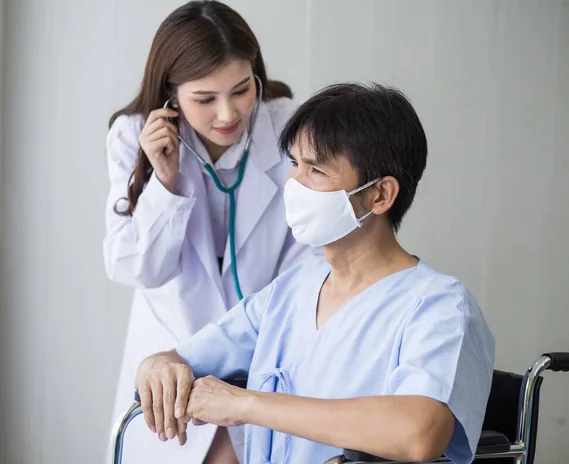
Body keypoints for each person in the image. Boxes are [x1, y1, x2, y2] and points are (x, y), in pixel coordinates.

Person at [134, 82, 496, 464]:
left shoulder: (439, 306)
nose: (293, 183)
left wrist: (247, 405)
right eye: (295, 163)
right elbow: (174, 358)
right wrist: (158, 371)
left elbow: (418, 433)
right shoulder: (293, 288)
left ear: (380, 195)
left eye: (316, 170)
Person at [103, 1, 315, 462]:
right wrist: (165, 183)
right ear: (170, 96)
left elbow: (307, 263)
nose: (227, 114)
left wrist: (244, 346)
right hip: (167, 361)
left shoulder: (289, 127)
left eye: (241, 90)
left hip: (261, 356)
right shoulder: (132, 136)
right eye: (204, 99)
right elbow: (138, 268)